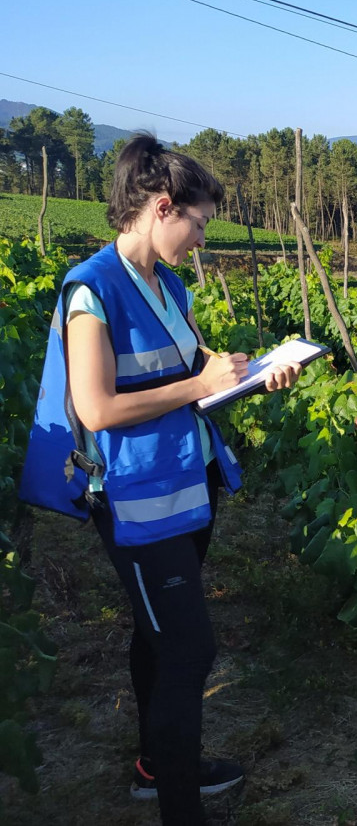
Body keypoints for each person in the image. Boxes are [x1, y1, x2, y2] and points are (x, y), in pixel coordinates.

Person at [20, 134, 303, 826]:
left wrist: (250, 376)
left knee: (158, 635)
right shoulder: (93, 290)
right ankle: (180, 807)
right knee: (188, 647)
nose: (202, 240)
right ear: (163, 207)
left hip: (185, 483)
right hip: (134, 500)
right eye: (199, 223)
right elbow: (97, 408)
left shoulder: (167, 284)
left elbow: (192, 372)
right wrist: (199, 385)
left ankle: (156, 764)